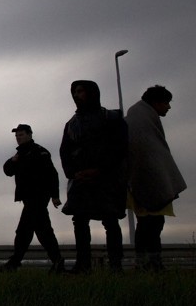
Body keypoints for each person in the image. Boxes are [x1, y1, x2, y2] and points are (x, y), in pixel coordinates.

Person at [59, 80, 128, 274]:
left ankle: (116, 265)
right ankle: (83, 264)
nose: (76, 95)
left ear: (91, 93)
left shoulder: (111, 118)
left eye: (80, 91)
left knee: (110, 220)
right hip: (81, 180)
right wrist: (74, 173)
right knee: (80, 221)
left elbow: (120, 148)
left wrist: (99, 170)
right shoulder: (72, 124)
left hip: (106, 179)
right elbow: (65, 151)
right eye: (74, 92)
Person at [125, 86, 187, 271]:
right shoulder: (141, 119)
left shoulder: (140, 117)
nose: (168, 107)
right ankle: (150, 264)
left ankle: (147, 263)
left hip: (143, 182)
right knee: (151, 226)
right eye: (166, 103)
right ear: (156, 102)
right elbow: (145, 153)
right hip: (147, 182)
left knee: (149, 225)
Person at [0, 124, 64, 273]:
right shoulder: (19, 155)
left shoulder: (40, 152)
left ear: (29, 135)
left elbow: (52, 175)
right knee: (42, 231)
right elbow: (7, 171)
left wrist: (55, 195)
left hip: (38, 198)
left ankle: (14, 263)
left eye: (21, 135)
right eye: (17, 136)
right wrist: (13, 161)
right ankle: (58, 262)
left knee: (24, 231)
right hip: (29, 198)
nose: (18, 138)